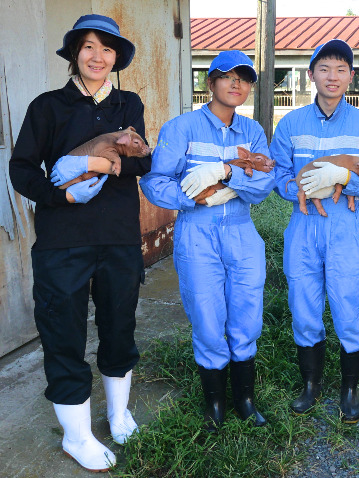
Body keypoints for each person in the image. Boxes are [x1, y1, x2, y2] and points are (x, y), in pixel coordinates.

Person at [8, 14, 146, 471]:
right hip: (62, 240)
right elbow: (22, 168)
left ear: (116, 57)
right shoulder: (47, 106)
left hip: (119, 237)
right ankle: (77, 435)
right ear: (74, 54)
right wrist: (59, 194)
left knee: (119, 325)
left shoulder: (129, 103)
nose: (97, 56)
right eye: (87, 46)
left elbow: (143, 161)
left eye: (106, 48)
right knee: (64, 333)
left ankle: (119, 412)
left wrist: (110, 168)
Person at [140, 50, 276, 433]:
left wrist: (228, 174)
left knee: (247, 310)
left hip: (241, 230)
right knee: (206, 312)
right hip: (197, 231)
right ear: (211, 82)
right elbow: (155, 181)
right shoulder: (181, 128)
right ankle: (215, 401)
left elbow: (265, 181)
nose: (237, 84)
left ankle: (244, 399)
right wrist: (194, 196)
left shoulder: (252, 132)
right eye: (228, 76)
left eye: (244, 78)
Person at [270, 39, 359, 424]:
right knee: (304, 305)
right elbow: (279, 177)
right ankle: (311, 385)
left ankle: (349, 390)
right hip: (303, 226)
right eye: (324, 69)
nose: (332, 77)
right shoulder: (290, 124)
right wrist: (302, 188)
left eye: (340, 70)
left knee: (350, 305)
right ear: (311, 75)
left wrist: (343, 178)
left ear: (351, 77)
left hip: (345, 228)